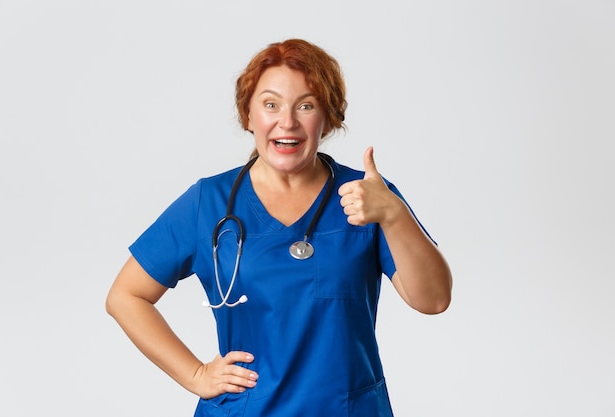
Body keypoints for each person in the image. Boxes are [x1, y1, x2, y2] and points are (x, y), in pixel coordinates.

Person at [106, 38, 452, 417]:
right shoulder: (209, 202)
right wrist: (196, 374)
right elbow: (126, 296)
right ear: (249, 115)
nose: (287, 122)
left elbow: (432, 300)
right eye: (271, 104)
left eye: (306, 105)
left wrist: (394, 215)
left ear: (329, 117)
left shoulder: (367, 198)